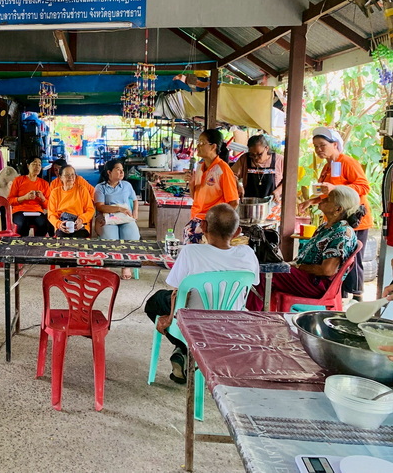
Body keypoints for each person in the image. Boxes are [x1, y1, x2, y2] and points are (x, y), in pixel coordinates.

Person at [144, 204, 260, 384]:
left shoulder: (191, 252)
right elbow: (252, 284)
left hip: (194, 323)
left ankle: (184, 349)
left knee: (156, 301)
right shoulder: (247, 253)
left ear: (203, 226)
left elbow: (177, 292)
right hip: (232, 322)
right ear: (238, 232)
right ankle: (186, 351)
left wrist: (169, 319)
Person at [247, 185, 363, 311]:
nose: (322, 200)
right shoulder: (326, 227)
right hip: (308, 278)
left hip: (316, 284)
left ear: (338, 209)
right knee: (268, 267)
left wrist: (298, 266)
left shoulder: (341, 233)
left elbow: (328, 270)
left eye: (328, 199)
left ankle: (252, 315)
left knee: (266, 273)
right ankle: (260, 312)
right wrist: (291, 265)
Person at [299, 127, 372, 299]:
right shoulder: (327, 167)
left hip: (354, 220)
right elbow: (329, 194)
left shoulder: (347, 162)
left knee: (352, 261)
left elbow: (364, 187)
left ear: (335, 145)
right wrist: (312, 201)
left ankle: (356, 296)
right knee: (336, 261)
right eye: (316, 146)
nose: (318, 149)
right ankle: (340, 295)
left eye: (322, 145)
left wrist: (336, 187)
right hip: (336, 221)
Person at [183, 129, 239, 245]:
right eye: (198, 142)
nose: (198, 146)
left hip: (212, 226)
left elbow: (234, 202)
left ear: (213, 147)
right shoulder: (200, 166)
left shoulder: (223, 169)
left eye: (202, 143)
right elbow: (195, 198)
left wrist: (219, 224)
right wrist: (191, 184)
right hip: (195, 220)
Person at [94, 159, 140, 279]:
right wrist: (119, 209)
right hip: (108, 218)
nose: (122, 172)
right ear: (109, 172)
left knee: (132, 236)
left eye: (122, 170)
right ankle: (107, 265)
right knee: (110, 238)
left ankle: (126, 265)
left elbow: (135, 200)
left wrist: (135, 212)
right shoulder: (100, 187)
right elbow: (100, 206)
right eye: (118, 170)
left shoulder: (126, 185)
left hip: (125, 218)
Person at [231, 134, 284, 201]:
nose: (256, 158)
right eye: (252, 155)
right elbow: (231, 175)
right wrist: (239, 184)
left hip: (273, 203)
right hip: (250, 202)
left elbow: (288, 180)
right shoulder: (245, 159)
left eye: (259, 154)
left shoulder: (279, 160)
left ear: (266, 148)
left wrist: (278, 191)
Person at [8, 156, 51, 237]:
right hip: (20, 211)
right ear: (28, 166)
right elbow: (10, 201)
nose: (37, 167)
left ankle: (37, 243)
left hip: (37, 211)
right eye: (34, 164)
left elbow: (49, 206)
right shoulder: (18, 180)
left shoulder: (44, 183)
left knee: (44, 224)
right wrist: (24, 198)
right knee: (21, 225)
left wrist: (42, 198)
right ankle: (22, 244)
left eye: (39, 165)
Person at [47, 165, 95, 238]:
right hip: (63, 224)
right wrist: (59, 224)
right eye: (67, 175)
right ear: (60, 177)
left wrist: (81, 220)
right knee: (62, 240)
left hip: (80, 224)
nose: (70, 177)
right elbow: (51, 214)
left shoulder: (82, 190)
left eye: (73, 174)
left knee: (77, 240)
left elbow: (90, 210)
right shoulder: (55, 192)